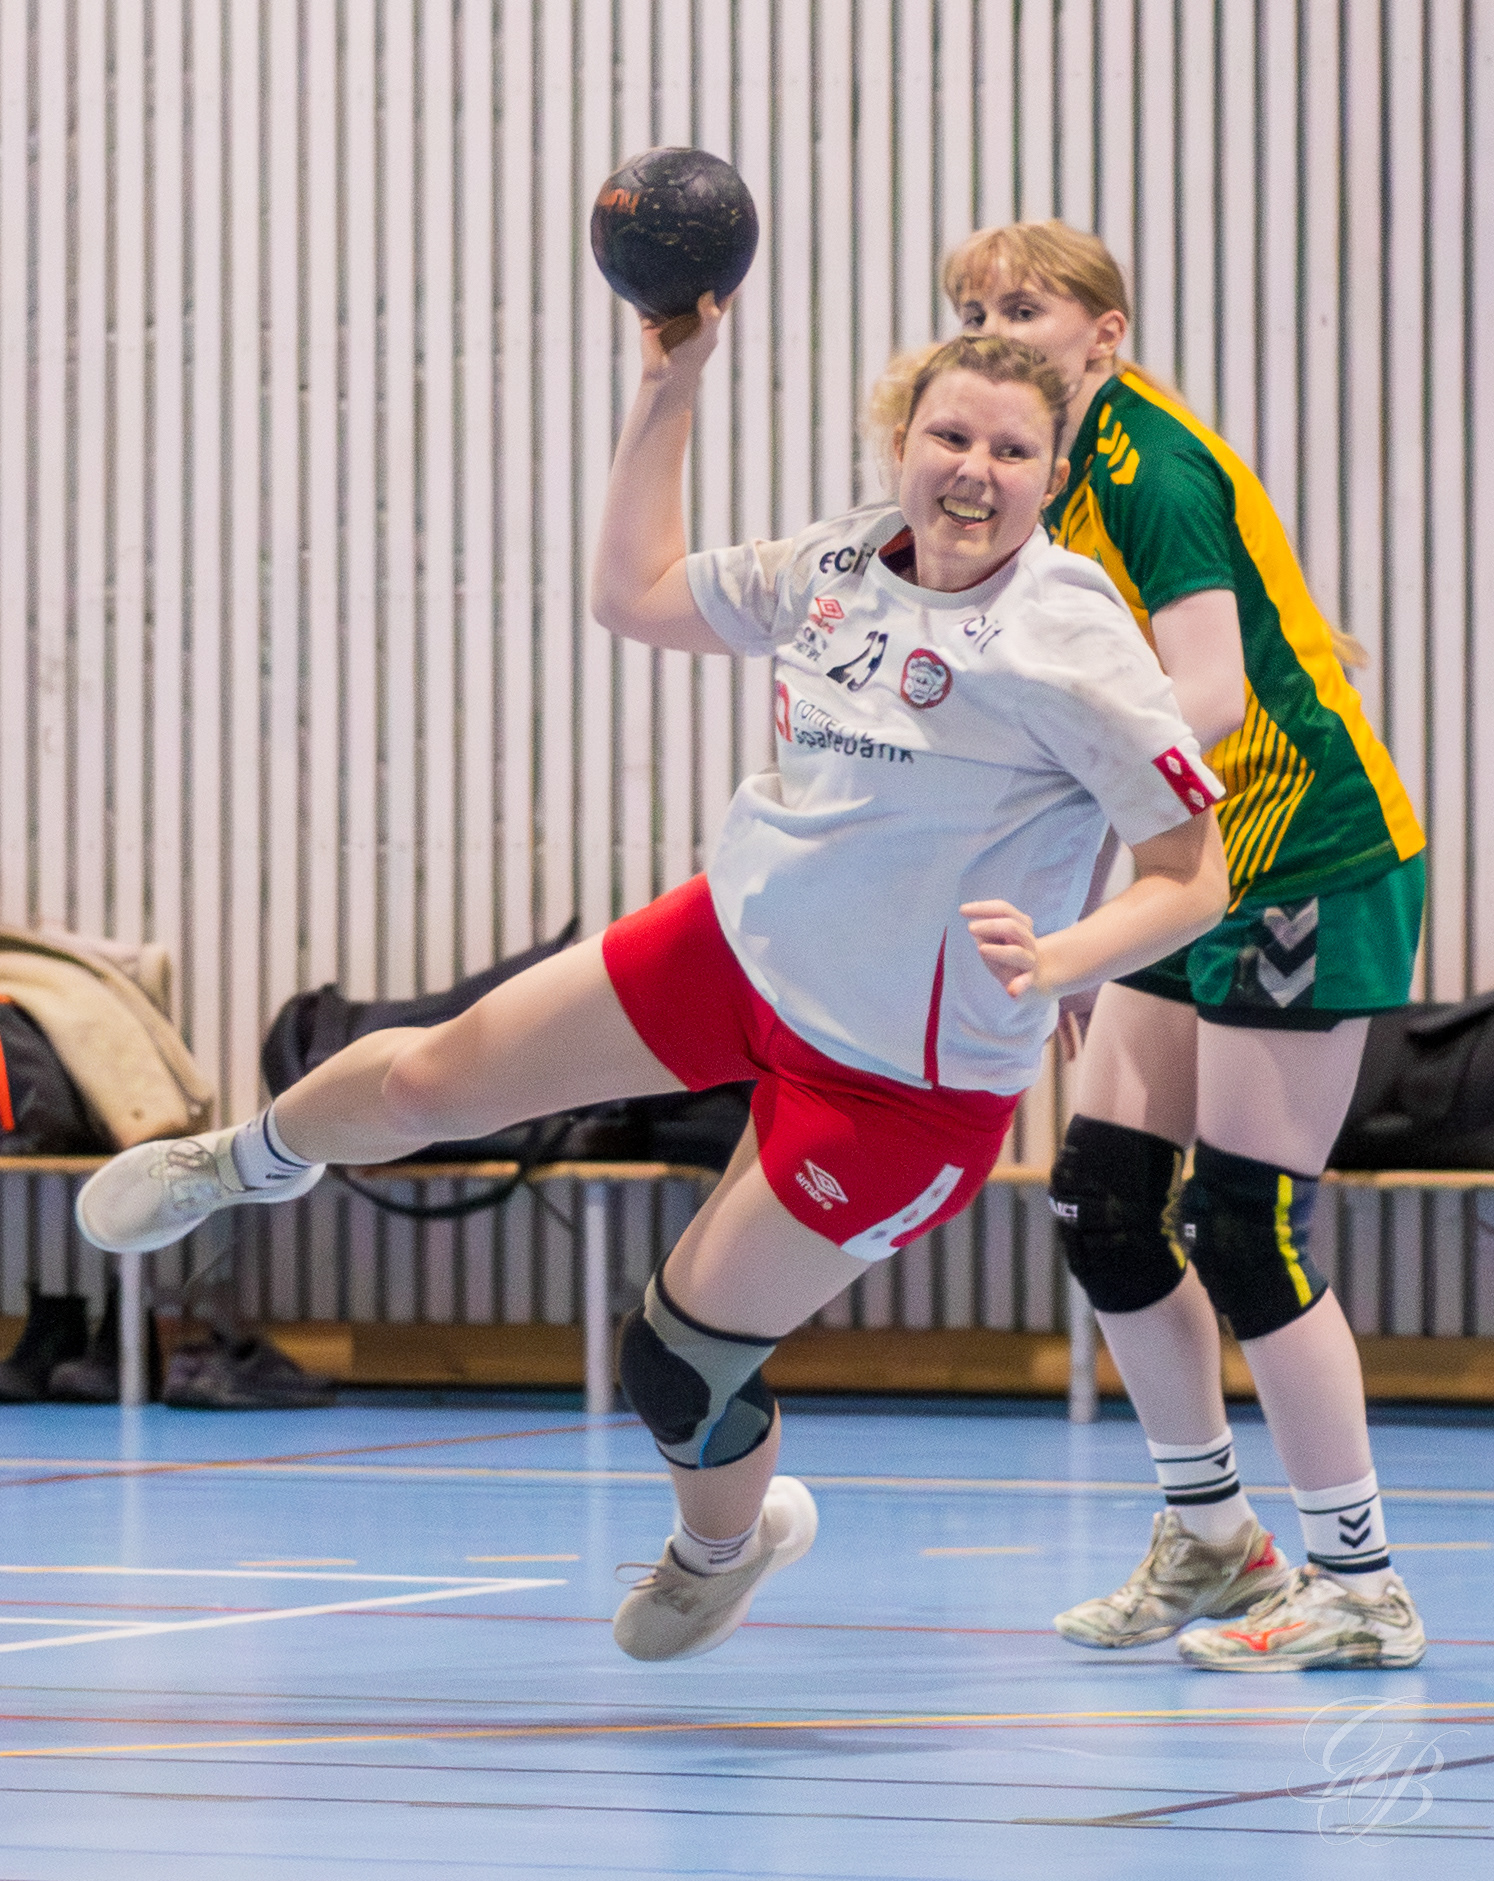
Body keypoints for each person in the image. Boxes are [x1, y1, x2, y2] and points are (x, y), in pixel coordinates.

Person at [77, 306, 1228, 1665]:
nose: (975, 471)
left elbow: (1190, 875)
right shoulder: (837, 561)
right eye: (950, 436)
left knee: (677, 1360)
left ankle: (723, 1548)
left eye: (1013, 451)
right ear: (902, 442)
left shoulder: (1071, 638)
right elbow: (634, 593)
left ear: (1052, 476)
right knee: (437, 1074)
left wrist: (1062, 957)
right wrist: (668, 383)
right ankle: (247, 1160)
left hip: (904, 1081)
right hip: (738, 950)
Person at [937, 219, 1428, 1670]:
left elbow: (1201, 698)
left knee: (1243, 1221)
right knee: (1099, 1199)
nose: (992, 328)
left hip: (1303, 850)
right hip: (1191, 855)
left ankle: (1359, 1585)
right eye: (969, 308)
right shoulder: (1042, 472)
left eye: (1024, 307)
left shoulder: (1148, 468)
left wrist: (1094, 899)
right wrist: (1099, 914)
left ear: (1106, 333)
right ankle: (1212, 1538)